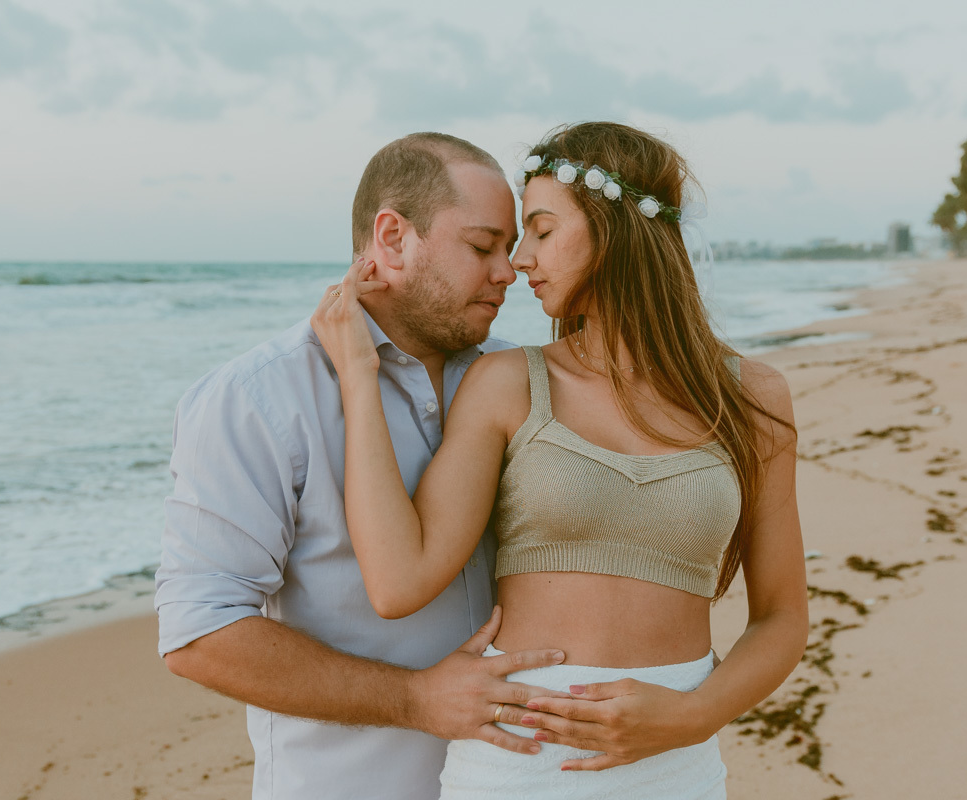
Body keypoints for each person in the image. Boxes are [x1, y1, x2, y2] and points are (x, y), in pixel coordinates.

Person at [155, 131, 721, 800]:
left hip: (526, 779)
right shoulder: (257, 399)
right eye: (482, 247)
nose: (509, 269)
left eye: (514, 245)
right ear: (392, 238)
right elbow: (200, 633)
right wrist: (414, 700)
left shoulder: (516, 380)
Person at [311, 121, 809, 798]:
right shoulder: (508, 384)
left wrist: (696, 714)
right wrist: (358, 375)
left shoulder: (753, 402)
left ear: (613, 231)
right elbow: (399, 580)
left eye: (542, 231)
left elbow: (783, 617)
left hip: (678, 769)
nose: (519, 262)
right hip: (517, 767)